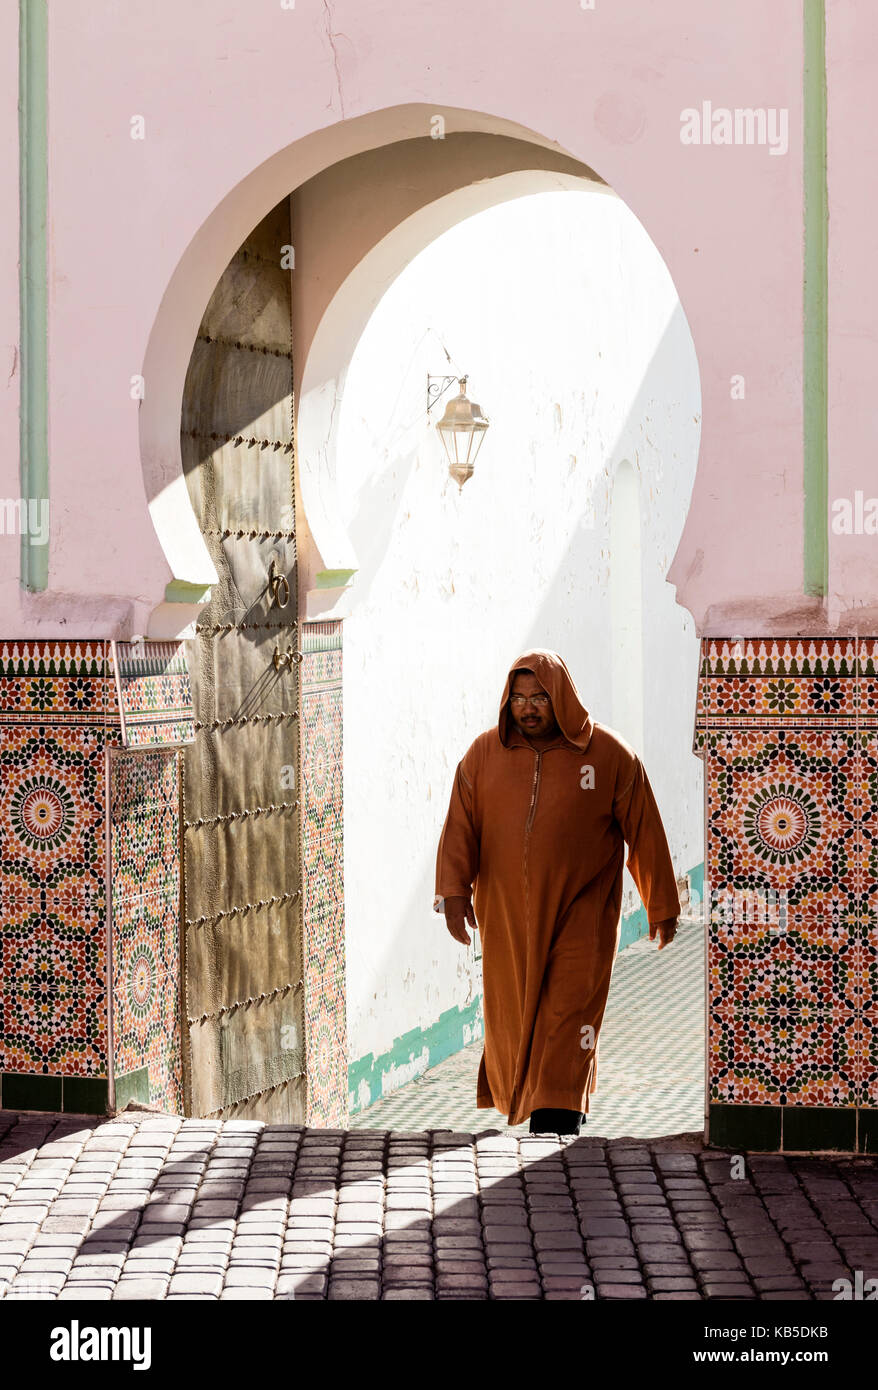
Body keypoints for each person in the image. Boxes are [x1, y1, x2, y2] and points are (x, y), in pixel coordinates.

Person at [434, 648, 680, 1136]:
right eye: (519, 699)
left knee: (570, 1014)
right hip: (506, 921)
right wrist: (453, 894)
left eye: (540, 697)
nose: (528, 708)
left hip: (580, 915)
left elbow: (645, 830)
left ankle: (560, 1114)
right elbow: (460, 826)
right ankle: (527, 1101)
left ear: (561, 697)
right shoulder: (483, 756)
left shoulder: (608, 756)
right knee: (512, 1016)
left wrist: (660, 903)